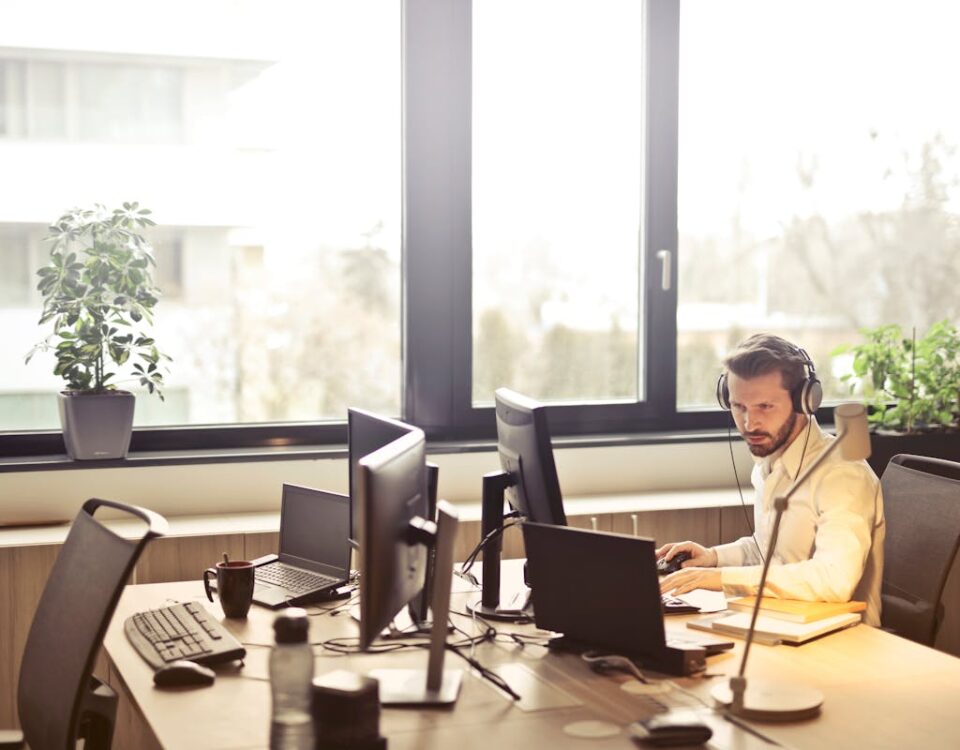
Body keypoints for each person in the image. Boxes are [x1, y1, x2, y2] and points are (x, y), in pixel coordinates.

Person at [658, 333, 885, 626]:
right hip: (779, 621)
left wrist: (720, 578)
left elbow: (834, 580)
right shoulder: (769, 463)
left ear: (805, 401)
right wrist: (713, 558)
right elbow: (769, 553)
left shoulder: (843, 474)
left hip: (841, 637)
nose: (749, 423)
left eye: (764, 407)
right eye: (739, 406)